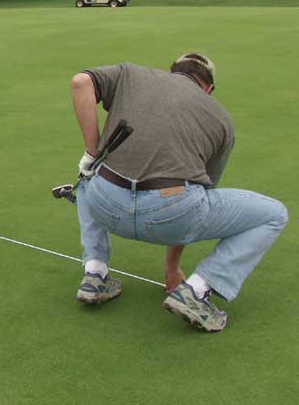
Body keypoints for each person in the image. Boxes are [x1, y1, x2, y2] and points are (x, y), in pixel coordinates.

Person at [70, 53, 287, 332]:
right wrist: (172, 269)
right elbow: (199, 193)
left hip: (106, 204)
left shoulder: (131, 73)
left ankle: (95, 273)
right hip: (171, 215)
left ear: (171, 71)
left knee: (88, 173)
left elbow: (80, 82)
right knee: (274, 214)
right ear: (209, 87)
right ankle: (196, 290)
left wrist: (92, 151)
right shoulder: (222, 119)